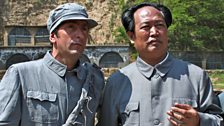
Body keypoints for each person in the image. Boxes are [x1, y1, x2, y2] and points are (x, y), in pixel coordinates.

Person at [97, 2, 223, 126]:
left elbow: (218, 121)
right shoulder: (116, 82)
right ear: (131, 36)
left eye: (159, 25)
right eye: (146, 27)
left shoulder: (196, 77)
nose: (154, 32)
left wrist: (198, 120)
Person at [0, 3, 104, 126]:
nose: (80, 35)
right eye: (71, 27)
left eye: (84, 29)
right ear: (53, 36)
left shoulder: (94, 79)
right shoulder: (21, 75)